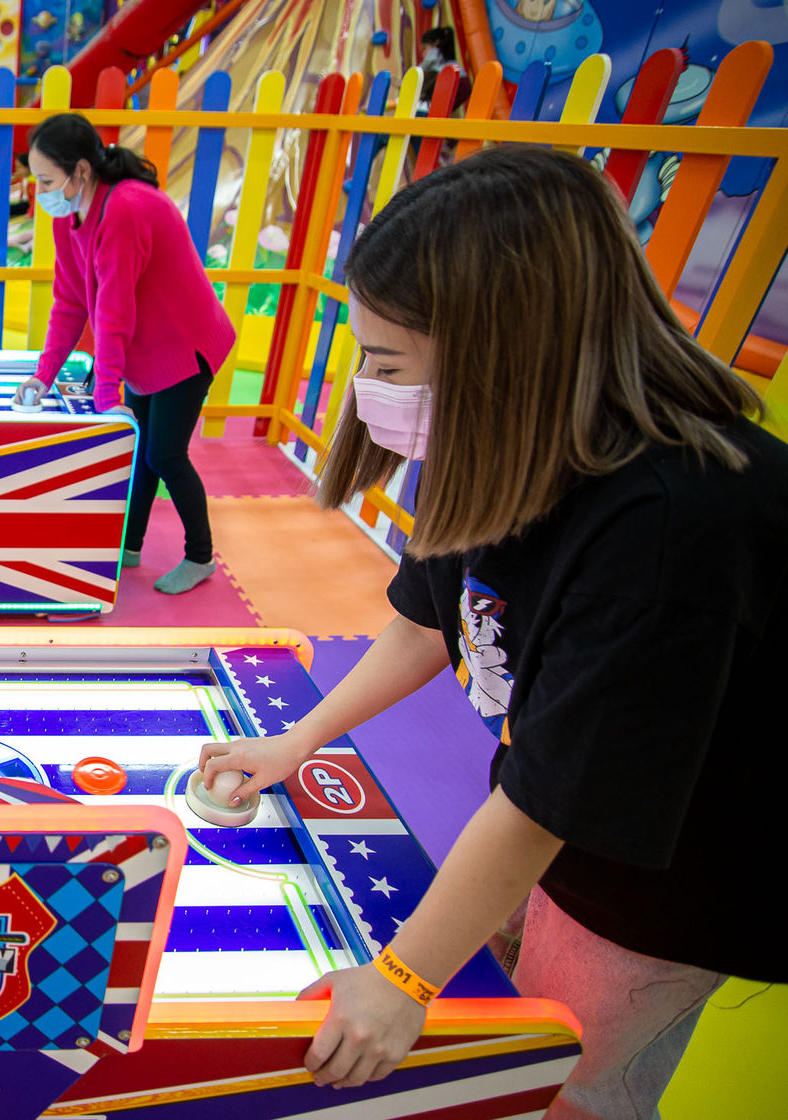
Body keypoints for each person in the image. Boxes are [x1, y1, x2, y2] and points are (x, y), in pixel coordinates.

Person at [196, 146, 785, 1114]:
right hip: (550, 808)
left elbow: (558, 795)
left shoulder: (675, 522)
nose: (366, 388)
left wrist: (405, 979)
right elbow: (429, 619)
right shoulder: (514, 438)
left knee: (560, 1074)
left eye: (386, 364)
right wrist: (295, 740)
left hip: (666, 879)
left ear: (502, 353)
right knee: (496, 991)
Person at [14, 113, 235, 595]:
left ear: (81, 172)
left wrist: (105, 397)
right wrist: (43, 375)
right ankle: (129, 546)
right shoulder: (69, 215)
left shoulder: (126, 209)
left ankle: (200, 557)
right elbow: (71, 302)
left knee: (165, 454)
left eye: (47, 180)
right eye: (37, 181)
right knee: (141, 457)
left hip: (184, 346)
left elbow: (114, 313)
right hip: (145, 353)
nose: (41, 192)